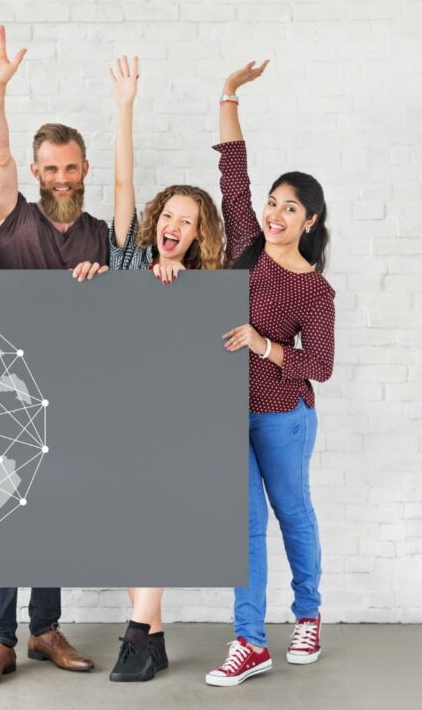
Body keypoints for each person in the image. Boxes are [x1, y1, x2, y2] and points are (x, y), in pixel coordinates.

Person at [0, 23, 98, 688]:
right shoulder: (11, 217)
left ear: (84, 170)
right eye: (50, 166)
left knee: (50, 513)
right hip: (5, 391)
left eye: (71, 166)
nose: (61, 177)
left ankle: (44, 630)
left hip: (70, 391)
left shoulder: (102, 235)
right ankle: (0, 641)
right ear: (36, 169)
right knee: (2, 513)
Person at [95, 57, 226, 683]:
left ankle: (133, 637)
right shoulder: (127, 261)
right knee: (126, 528)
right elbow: (122, 183)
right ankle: (156, 636)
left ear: (201, 234)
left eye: (187, 220)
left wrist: (180, 290)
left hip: (171, 423)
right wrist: (124, 108)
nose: (173, 225)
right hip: (120, 412)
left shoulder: (207, 286)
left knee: (153, 523)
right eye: (168, 215)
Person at [204, 61, 335, 687]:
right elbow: (232, 168)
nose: (275, 213)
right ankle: (249, 641)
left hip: (284, 415)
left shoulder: (315, 289)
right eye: (273, 202)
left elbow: (322, 368)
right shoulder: (242, 246)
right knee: (243, 527)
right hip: (228, 413)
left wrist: (265, 345)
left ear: (310, 221)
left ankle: (307, 614)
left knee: (292, 513)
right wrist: (229, 93)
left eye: (291, 208)